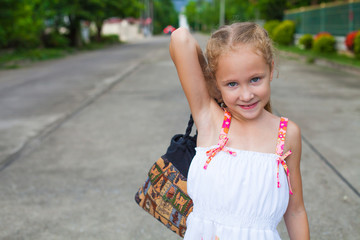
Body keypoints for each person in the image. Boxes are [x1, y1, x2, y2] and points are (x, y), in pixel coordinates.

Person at [169, 22, 310, 239]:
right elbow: (180, 39)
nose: (246, 95)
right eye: (232, 84)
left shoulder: (287, 134)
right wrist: (211, 83)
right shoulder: (210, 119)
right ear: (217, 83)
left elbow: (295, 211)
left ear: (271, 70)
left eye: (255, 79)